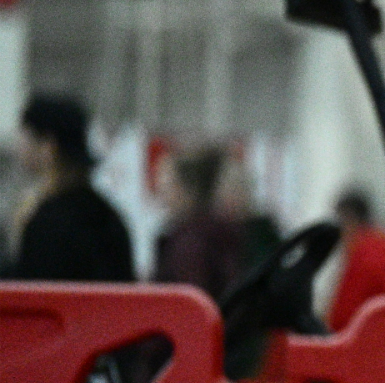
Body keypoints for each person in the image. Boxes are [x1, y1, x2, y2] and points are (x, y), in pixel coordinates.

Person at [6, 94, 133, 282]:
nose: (18, 146)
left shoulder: (47, 223)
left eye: (24, 136)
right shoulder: (109, 217)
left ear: (48, 146)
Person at [153, 145, 243, 301]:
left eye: (168, 184)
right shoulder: (220, 233)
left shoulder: (190, 245)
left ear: (187, 188)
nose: (162, 193)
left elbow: (189, 309)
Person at [327, 188, 385, 332]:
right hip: (382, 329)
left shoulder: (365, 252)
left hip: (364, 334)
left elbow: (345, 312)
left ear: (349, 218)